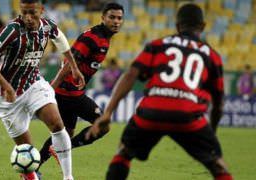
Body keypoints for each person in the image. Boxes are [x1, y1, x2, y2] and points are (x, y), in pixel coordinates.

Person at [86, 3, 233, 180]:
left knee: (124, 152)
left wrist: (108, 113)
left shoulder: (158, 45)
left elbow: (130, 74)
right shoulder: (212, 55)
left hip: (151, 113)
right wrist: (211, 134)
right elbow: (218, 103)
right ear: (202, 26)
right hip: (188, 116)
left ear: (177, 25)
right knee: (218, 166)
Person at [0, 0, 85, 180]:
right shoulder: (11, 31)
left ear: (41, 10)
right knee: (26, 153)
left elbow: (61, 40)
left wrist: (74, 67)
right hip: (7, 96)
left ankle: (68, 177)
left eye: (32, 13)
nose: (28, 18)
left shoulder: (47, 27)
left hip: (33, 83)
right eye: (24, 13)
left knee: (57, 125)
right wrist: (7, 86)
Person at [38, 2, 124, 168]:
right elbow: (71, 62)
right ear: (103, 18)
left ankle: (33, 168)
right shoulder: (93, 38)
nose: (116, 21)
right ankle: (61, 149)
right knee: (103, 125)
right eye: (112, 17)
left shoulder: (104, 39)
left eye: (119, 18)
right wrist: (54, 85)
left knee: (66, 134)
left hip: (71, 92)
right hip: (69, 93)